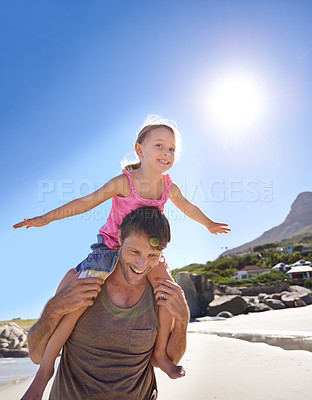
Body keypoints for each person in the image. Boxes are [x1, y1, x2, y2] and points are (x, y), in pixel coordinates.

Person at [14, 116, 230, 398]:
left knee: (169, 292)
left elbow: (188, 208)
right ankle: (44, 372)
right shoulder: (125, 182)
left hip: (146, 251)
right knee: (77, 302)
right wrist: (46, 218)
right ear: (140, 150)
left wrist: (210, 224)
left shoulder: (168, 188)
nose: (167, 153)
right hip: (109, 247)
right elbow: (85, 202)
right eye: (160, 146)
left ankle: (160, 356)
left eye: (172, 149)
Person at [27, 207, 190, 400]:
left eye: (152, 256)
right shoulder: (79, 281)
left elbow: (165, 359)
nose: (141, 265)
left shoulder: (161, 293)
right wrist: (54, 307)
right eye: (134, 251)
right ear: (120, 238)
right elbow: (37, 356)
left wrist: (183, 319)